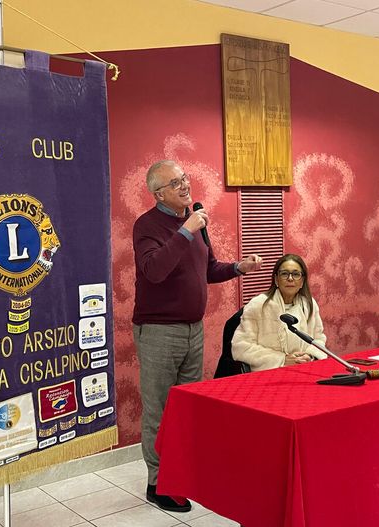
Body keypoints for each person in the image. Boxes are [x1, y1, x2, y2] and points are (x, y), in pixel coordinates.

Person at [132, 159, 262, 512]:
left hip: (193, 329)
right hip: (159, 332)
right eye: (175, 183)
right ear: (159, 194)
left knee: (186, 408)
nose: (185, 185)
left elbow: (207, 269)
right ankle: (158, 484)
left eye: (184, 178)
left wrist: (238, 268)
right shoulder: (147, 225)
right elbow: (154, 270)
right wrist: (186, 230)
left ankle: (181, 473)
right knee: (160, 410)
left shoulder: (195, 219)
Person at [232, 254, 327, 371]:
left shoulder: (309, 304)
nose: (290, 278)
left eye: (296, 274)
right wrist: (282, 360)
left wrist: (310, 356)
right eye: (284, 274)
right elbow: (241, 347)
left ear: (302, 281)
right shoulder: (258, 305)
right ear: (276, 279)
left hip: (304, 369)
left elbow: (318, 339)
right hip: (270, 372)